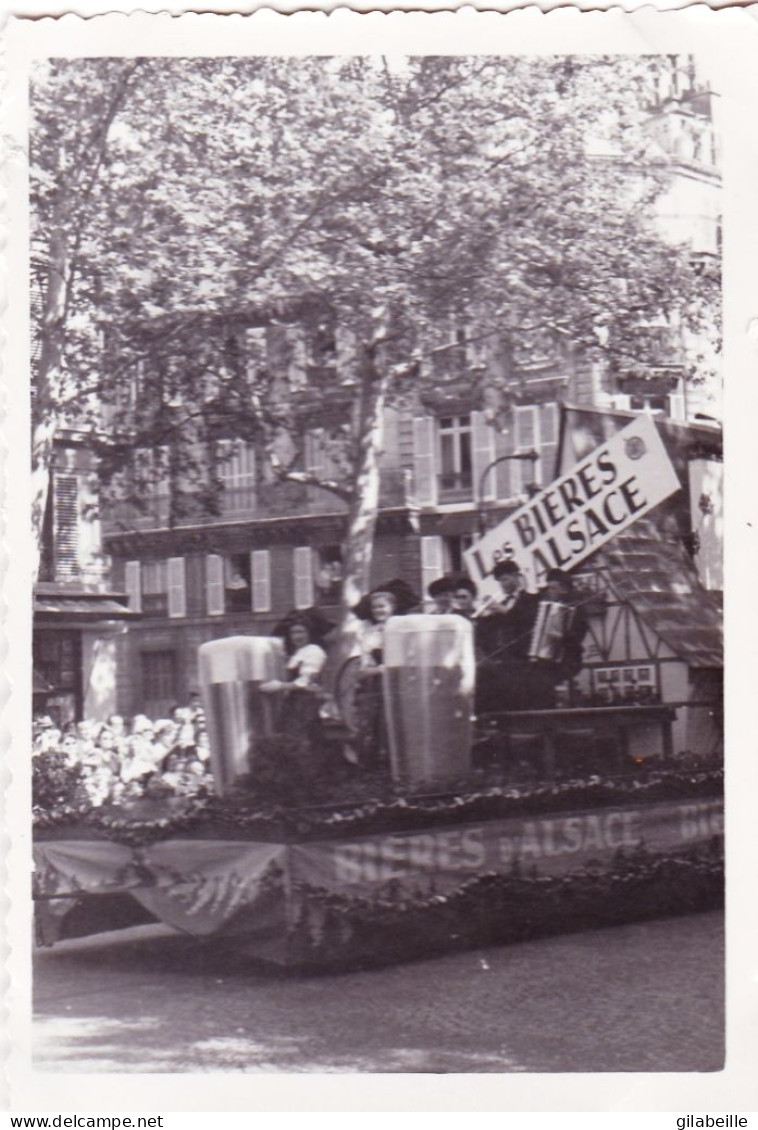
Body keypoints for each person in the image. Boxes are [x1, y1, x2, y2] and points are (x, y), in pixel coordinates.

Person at [474, 560, 538, 713]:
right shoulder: (502, 601)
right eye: (499, 581)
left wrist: (502, 610)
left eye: (505, 579)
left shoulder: (530, 599)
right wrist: (484, 615)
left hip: (524, 658)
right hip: (504, 658)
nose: (502, 585)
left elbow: (527, 622)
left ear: (517, 577)